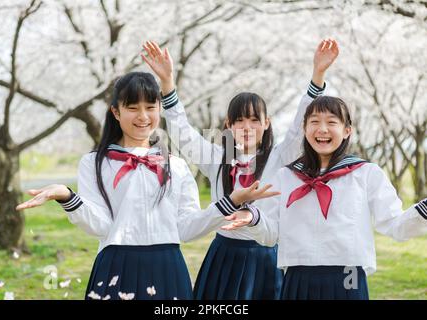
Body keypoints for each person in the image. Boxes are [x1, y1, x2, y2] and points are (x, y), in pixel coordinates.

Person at [16, 72, 277, 300]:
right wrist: (67, 197)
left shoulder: (176, 166)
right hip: (116, 264)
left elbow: (186, 229)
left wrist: (229, 202)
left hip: (168, 267)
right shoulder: (94, 163)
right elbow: (101, 226)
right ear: (116, 112)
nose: (143, 116)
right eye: (132, 108)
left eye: (151, 107)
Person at [141, 39, 339, 299]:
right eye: (240, 120)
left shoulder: (280, 157)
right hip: (224, 256)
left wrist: (318, 75)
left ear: (267, 123)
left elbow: (301, 123)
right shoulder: (216, 158)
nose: (247, 126)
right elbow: (183, 134)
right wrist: (167, 83)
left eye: (255, 120)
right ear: (228, 124)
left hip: (265, 257)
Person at [223, 96, 427, 300]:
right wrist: (253, 218)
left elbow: (394, 224)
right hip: (298, 275)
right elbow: (270, 233)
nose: (322, 129)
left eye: (331, 122)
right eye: (314, 122)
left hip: (349, 274)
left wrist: (423, 211)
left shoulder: (366, 174)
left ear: (347, 130)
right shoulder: (286, 176)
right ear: (304, 128)